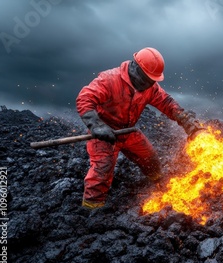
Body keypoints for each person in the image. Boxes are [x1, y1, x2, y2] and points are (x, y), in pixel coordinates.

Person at [76, 47, 203, 209]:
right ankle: (91, 207)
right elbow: (85, 98)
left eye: (152, 81)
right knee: (102, 170)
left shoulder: (150, 87)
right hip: (104, 134)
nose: (149, 84)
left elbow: (167, 104)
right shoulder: (110, 79)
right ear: (135, 68)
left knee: (150, 159)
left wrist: (189, 124)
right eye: (147, 79)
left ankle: (161, 186)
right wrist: (96, 125)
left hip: (128, 131)